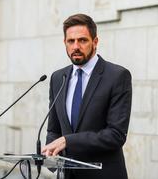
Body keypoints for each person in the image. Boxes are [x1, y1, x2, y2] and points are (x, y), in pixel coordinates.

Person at [42, 13, 132, 179]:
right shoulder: (57, 78)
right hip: (67, 175)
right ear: (65, 43)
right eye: (71, 41)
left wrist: (68, 141)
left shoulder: (117, 76)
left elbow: (116, 135)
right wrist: (51, 153)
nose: (76, 46)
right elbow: (53, 129)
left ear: (95, 42)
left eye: (82, 40)